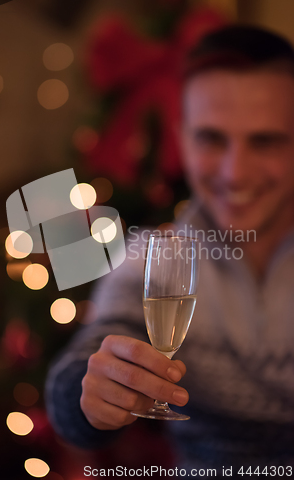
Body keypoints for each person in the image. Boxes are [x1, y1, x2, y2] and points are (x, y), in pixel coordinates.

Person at [45, 25, 294, 475]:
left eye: (265, 141)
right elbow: (84, 360)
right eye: (211, 139)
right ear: (181, 137)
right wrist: (92, 392)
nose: (236, 173)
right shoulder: (151, 259)